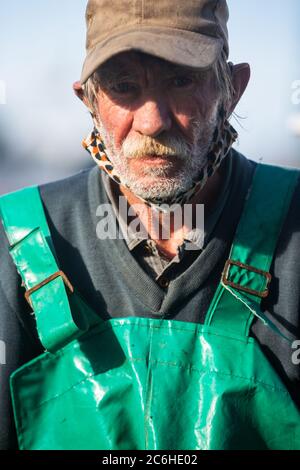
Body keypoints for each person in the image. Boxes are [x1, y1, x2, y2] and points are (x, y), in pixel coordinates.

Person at [0, 0, 299, 450]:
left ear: (233, 89)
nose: (152, 121)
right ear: (89, 100)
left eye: (181, 80)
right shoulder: (19, 242)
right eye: (124, 86)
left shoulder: (293, 227)